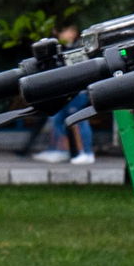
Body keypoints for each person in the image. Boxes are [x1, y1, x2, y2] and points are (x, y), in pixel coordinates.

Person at [26, 27, 96, 164]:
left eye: (69, 30)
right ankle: (59, 150)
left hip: (77, 92)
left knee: (78, 120)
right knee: (57, 120)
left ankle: (86, 152)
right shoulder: (61, 48)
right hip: (65, 91)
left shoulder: (78, 48)